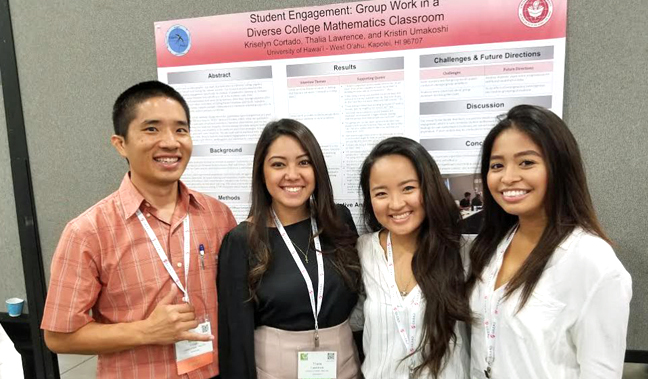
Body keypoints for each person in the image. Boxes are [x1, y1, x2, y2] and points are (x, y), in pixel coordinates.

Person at [41, 81, 236, 379]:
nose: (171, 142)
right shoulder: (87, 232)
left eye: (181, 130)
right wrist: (146, 331)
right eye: (152, 129)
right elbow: (58, 337)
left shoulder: (216, 215)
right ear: (120, 143)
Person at [466, 105, 632, 379]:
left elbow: (600, 372)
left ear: (560, 167)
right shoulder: (490, 248)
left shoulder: (592, 262)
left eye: (527, 162)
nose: (507, 177)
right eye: (497, 165)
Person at [218, 119, 362, 379]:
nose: (292, 174)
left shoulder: (339, 222)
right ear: (262, 172)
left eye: (304, 162)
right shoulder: (241, 240)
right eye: (278, 164)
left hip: (345, 369)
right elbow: (235, 339)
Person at [352, 137, 471, 379]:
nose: (396, 204)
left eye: (408, 188)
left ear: (429, 188)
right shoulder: (363, 250)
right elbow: (354, 321)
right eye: (381, 193)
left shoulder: (463, 251)